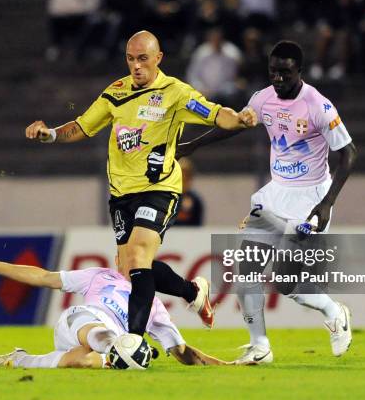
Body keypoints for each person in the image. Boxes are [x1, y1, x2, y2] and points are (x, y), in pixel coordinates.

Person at [25, 30, 258, 338]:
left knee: (136, 257)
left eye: (143, 59)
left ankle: (133, 340)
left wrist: (240, 118)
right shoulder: (116, 92)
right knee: (129, 271)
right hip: (121, 195)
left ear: (158, 58)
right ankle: (192, 292)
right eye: (131, 59)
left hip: (159, 189)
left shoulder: (176, 92)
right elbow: (82, 125)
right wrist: (50, 134)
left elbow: (216, 114)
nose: (136, 66)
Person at [177, 40, 358, 363]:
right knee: (246, 272)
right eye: (273, 72)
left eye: (285, 73)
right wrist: (192, 145)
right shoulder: (262, 99)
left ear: (299, 71)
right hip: (275, 195)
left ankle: (333, 312)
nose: (278, 79)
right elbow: (233, 127)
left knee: (287, 283)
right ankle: (260, 346)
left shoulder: (317, 104)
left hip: (311, 198)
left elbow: (348, 153)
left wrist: (328, 202)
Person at [0, 242, 231, 368]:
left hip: (98, 344)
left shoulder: (154, 306)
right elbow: (44, 277)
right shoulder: (98, 276)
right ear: (116, 260)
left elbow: (181, 351)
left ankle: (18, 359)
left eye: (134, 255)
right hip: (81, 322)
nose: (128, 260)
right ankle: (121, 349)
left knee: (88, 361)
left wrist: (225, 366)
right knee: (106, 339)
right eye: (123, 256)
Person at [175, 158, 204, 226]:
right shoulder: (166, 198)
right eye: (180, 175)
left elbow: (197, 225)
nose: (183, 179)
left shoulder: (195, 200)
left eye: (186, 176)